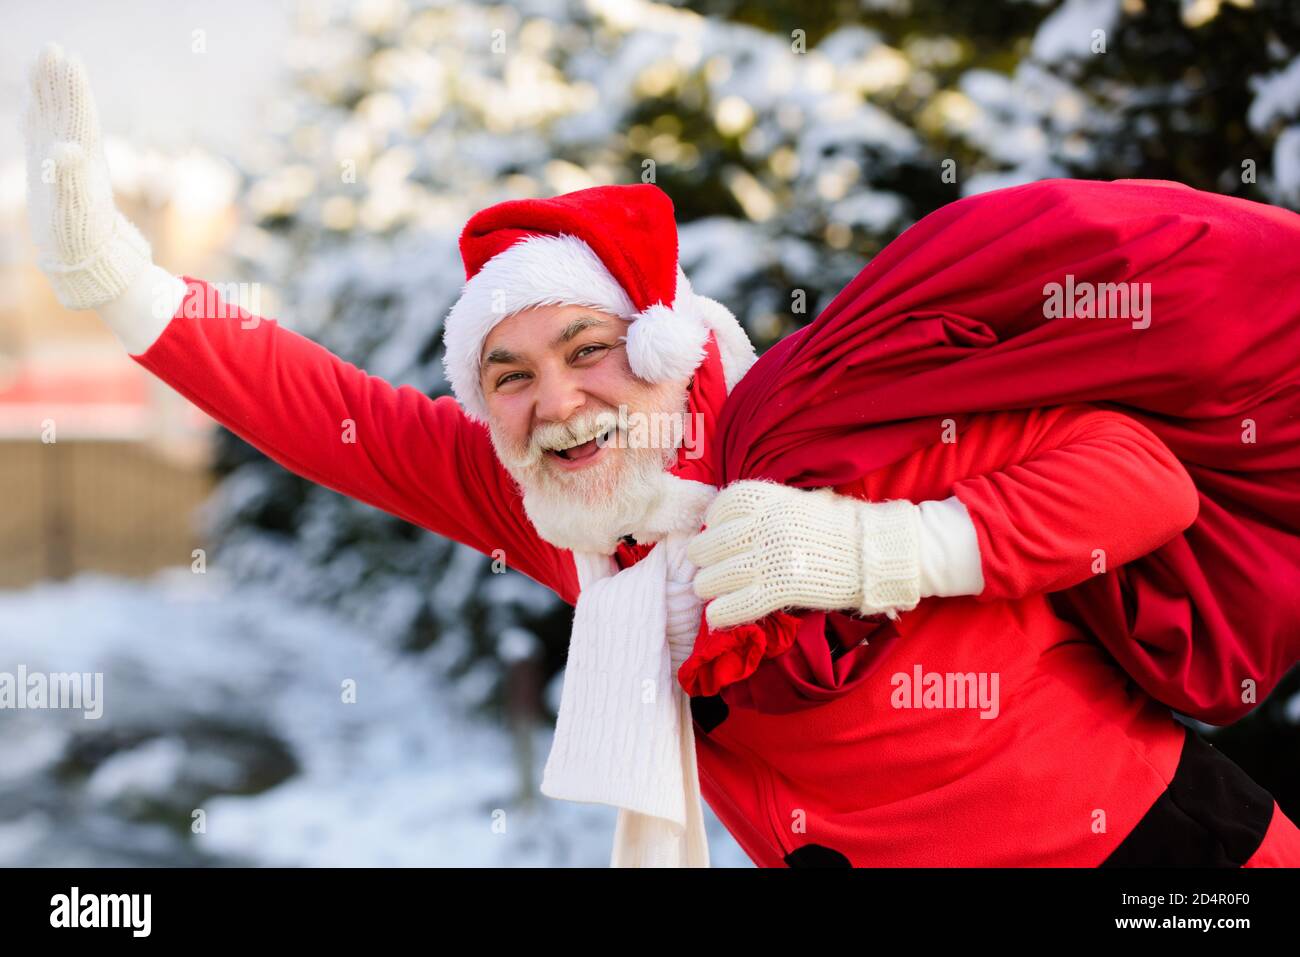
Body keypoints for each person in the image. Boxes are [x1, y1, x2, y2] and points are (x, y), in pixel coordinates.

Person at [23, 43, 1300, 867]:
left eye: (588, 349)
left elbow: (1139, 479)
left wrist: (878, 546)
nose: (557, 401)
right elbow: (318, 404)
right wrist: (119, 284)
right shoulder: (551, 508)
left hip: (1160, 861)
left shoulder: (841, 417)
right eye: (506, 377)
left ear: (669, 343)